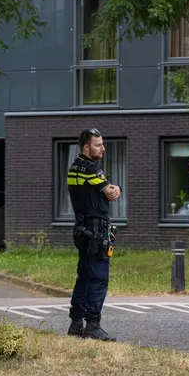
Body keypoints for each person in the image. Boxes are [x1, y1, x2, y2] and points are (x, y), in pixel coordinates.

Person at [67, 128, 121, 341]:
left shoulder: (74, 167)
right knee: (98, 277)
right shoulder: (91, 168)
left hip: (82, 229)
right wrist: (115, 188)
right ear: (86, 147)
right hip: (95, 231)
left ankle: (76, 322)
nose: (103, 148)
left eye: (103, 144)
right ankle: (92, 324)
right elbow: (110, 192)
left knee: (84, 276)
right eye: (98, 145)